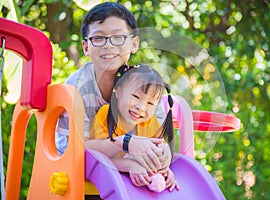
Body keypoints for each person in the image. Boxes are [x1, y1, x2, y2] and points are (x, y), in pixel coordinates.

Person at [55, 2, 171, 174]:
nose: (108, 45)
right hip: (74, 170)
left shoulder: (146, 86)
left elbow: (159, 141)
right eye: (98, 38)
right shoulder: (77, 88)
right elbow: (78, 150)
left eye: (118, 37)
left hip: (124, 165)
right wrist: (127, 146)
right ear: (86, 47)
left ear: (134, 43)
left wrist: (164, 157)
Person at [89, 64, 179, 192]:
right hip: (104, 180)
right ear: (118, 92)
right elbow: (97, 156)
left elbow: (158, 150)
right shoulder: (106, 115)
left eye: (150, 103)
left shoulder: (150, 123)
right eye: (136, 97)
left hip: (134, 188)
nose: (141, 107)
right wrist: (130, 165)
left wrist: (163, 169)